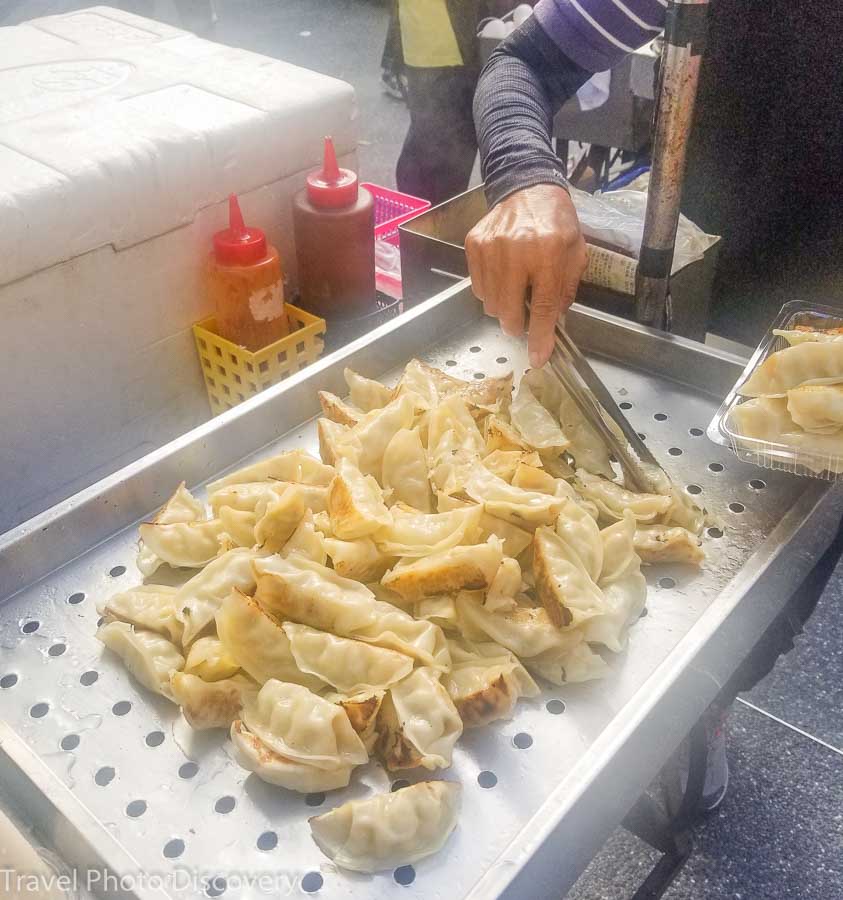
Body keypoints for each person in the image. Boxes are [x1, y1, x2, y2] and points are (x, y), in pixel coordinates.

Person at [466, 0, 843, 816]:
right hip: (690, 323)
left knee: (772, 603)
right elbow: (520, 63)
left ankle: (706, 711)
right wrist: (527, 176)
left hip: (821, 424)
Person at [394, 0, 482, 205]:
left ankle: (420, 221)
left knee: (433, 144)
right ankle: (426, 224)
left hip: (428, 43)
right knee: (447, 153)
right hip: (443, 47)